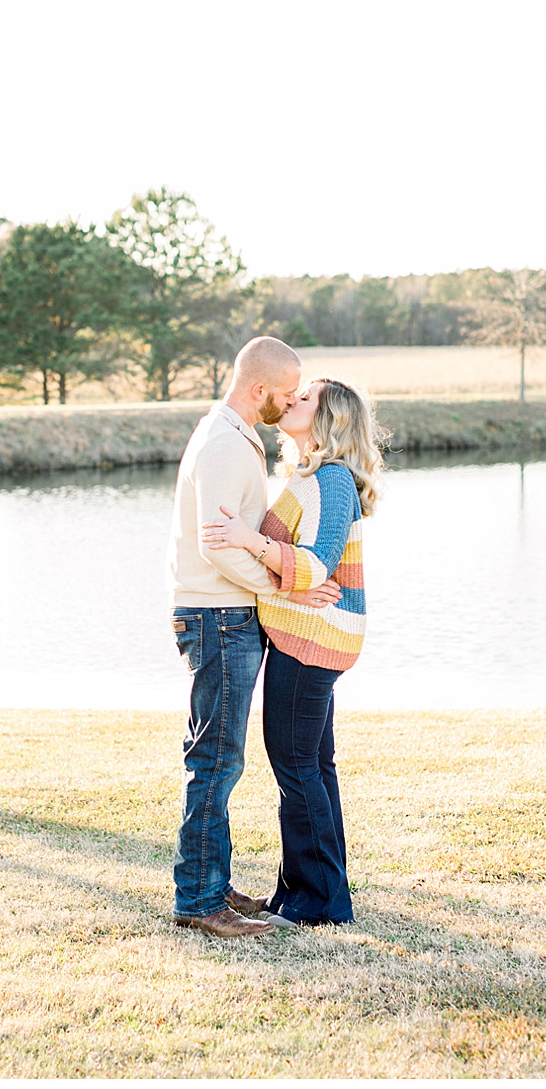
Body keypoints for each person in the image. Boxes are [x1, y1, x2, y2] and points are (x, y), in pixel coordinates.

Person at [166, 337, 340, 938]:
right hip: (217, 616)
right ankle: (199, 901)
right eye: (287, 392)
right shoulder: (223, 443)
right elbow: (218, 545)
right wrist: (283, 588)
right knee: (215, 760)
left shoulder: (237, 437)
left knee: (221, 757)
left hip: (227, 614)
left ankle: (211, 883)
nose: (292, 401)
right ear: (259, 388)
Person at [202, 378, 385, 926]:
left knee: (297, 764)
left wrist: (249, 539)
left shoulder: (332, 479)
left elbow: (317, 564)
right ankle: (311, 892)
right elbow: (301, 570)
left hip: (313, 638)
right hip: (305, 632)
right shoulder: (309, 476)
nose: (291, 400)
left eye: (305, 398)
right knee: (312, 766)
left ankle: (317, 903)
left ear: (330, 420)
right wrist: (279, 575)